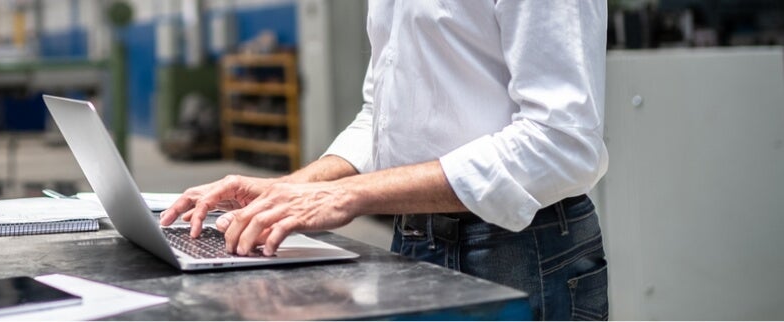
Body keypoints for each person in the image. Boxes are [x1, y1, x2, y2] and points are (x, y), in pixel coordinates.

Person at [160, 1, 609, 320]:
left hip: (518, 250)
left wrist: (348, 195)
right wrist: (294, 188)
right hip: (415, 241)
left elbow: (560, 142)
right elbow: (383, 115)